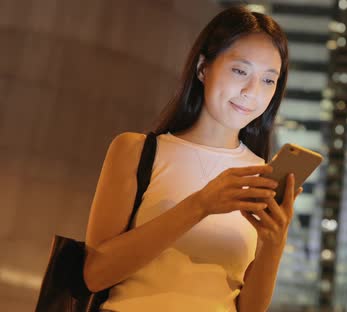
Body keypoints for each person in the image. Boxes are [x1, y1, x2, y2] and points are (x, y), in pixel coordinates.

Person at [83, 6, 299, 312]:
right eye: (240, 71)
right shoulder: (137, 151)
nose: (252, 91)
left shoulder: (262, 178)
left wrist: (274, 245)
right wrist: (201, 205)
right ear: (203, 68)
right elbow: (95, 274)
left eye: (268, 80)